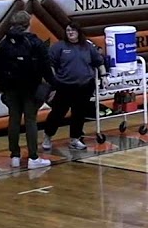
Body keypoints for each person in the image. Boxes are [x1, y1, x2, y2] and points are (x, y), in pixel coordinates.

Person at [0, 11, 53, 169]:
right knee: (30, 120)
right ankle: (33, 157)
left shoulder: (5, 43)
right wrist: (53, 84)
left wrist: (3, 88)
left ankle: (14, 155)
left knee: (13, 120)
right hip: (30, 88)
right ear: (29, 23)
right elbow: (45, 67)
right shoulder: (35, 42)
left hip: (11, 88)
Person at [41, 22, 104, 152]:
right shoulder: (59, 47)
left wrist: (105, 75)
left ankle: (75, 139)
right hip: (65, 86)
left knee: (79, 114)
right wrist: (54, 81)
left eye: (73, 30)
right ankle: (47, 137)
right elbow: (50, 64)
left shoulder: (87, 46)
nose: (70, 33)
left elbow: (99, 62)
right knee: (57, 113)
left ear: (79, 32)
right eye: (68, 30)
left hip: (85, 86)